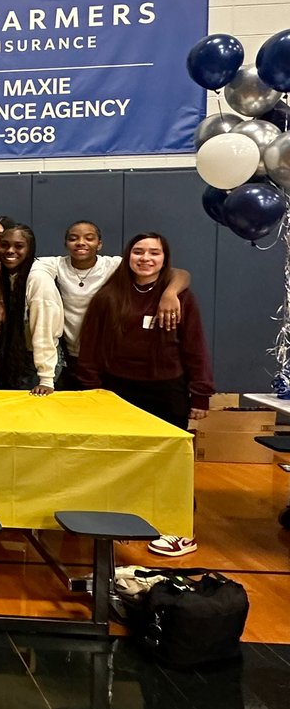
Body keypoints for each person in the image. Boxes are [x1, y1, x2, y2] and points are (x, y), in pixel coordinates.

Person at [77, 232, 213, 558]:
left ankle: (179, 529)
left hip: (166, 390)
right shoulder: (109, 295)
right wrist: (90, 389)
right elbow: (91, 348)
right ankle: (131, 518)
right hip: (117, 391)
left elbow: (195, 348)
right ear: (128, 256)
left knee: (171, 462)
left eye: (154, 253)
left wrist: (201, 394)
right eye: (139, 252)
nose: (146, 259)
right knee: (122, 458)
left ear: (165, 258)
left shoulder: (180, 297)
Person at [32, 220, 190, 390]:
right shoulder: (54, 264)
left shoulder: (113, 265)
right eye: (73, 238)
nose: (81, 242)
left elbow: (180, 273)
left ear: (99, 244)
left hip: (105, 355)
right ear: (66, 244)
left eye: (89, 238)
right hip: (70, 353)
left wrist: (170, 293)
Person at [0, 223, 63, 395]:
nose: (10, 251)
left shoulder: (38, 279)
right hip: (16, 357)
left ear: (30, 249)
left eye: (18, 246)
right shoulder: (7, 275)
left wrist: (46, 379)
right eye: (5, 245)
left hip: (40, 362)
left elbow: (44, 331)